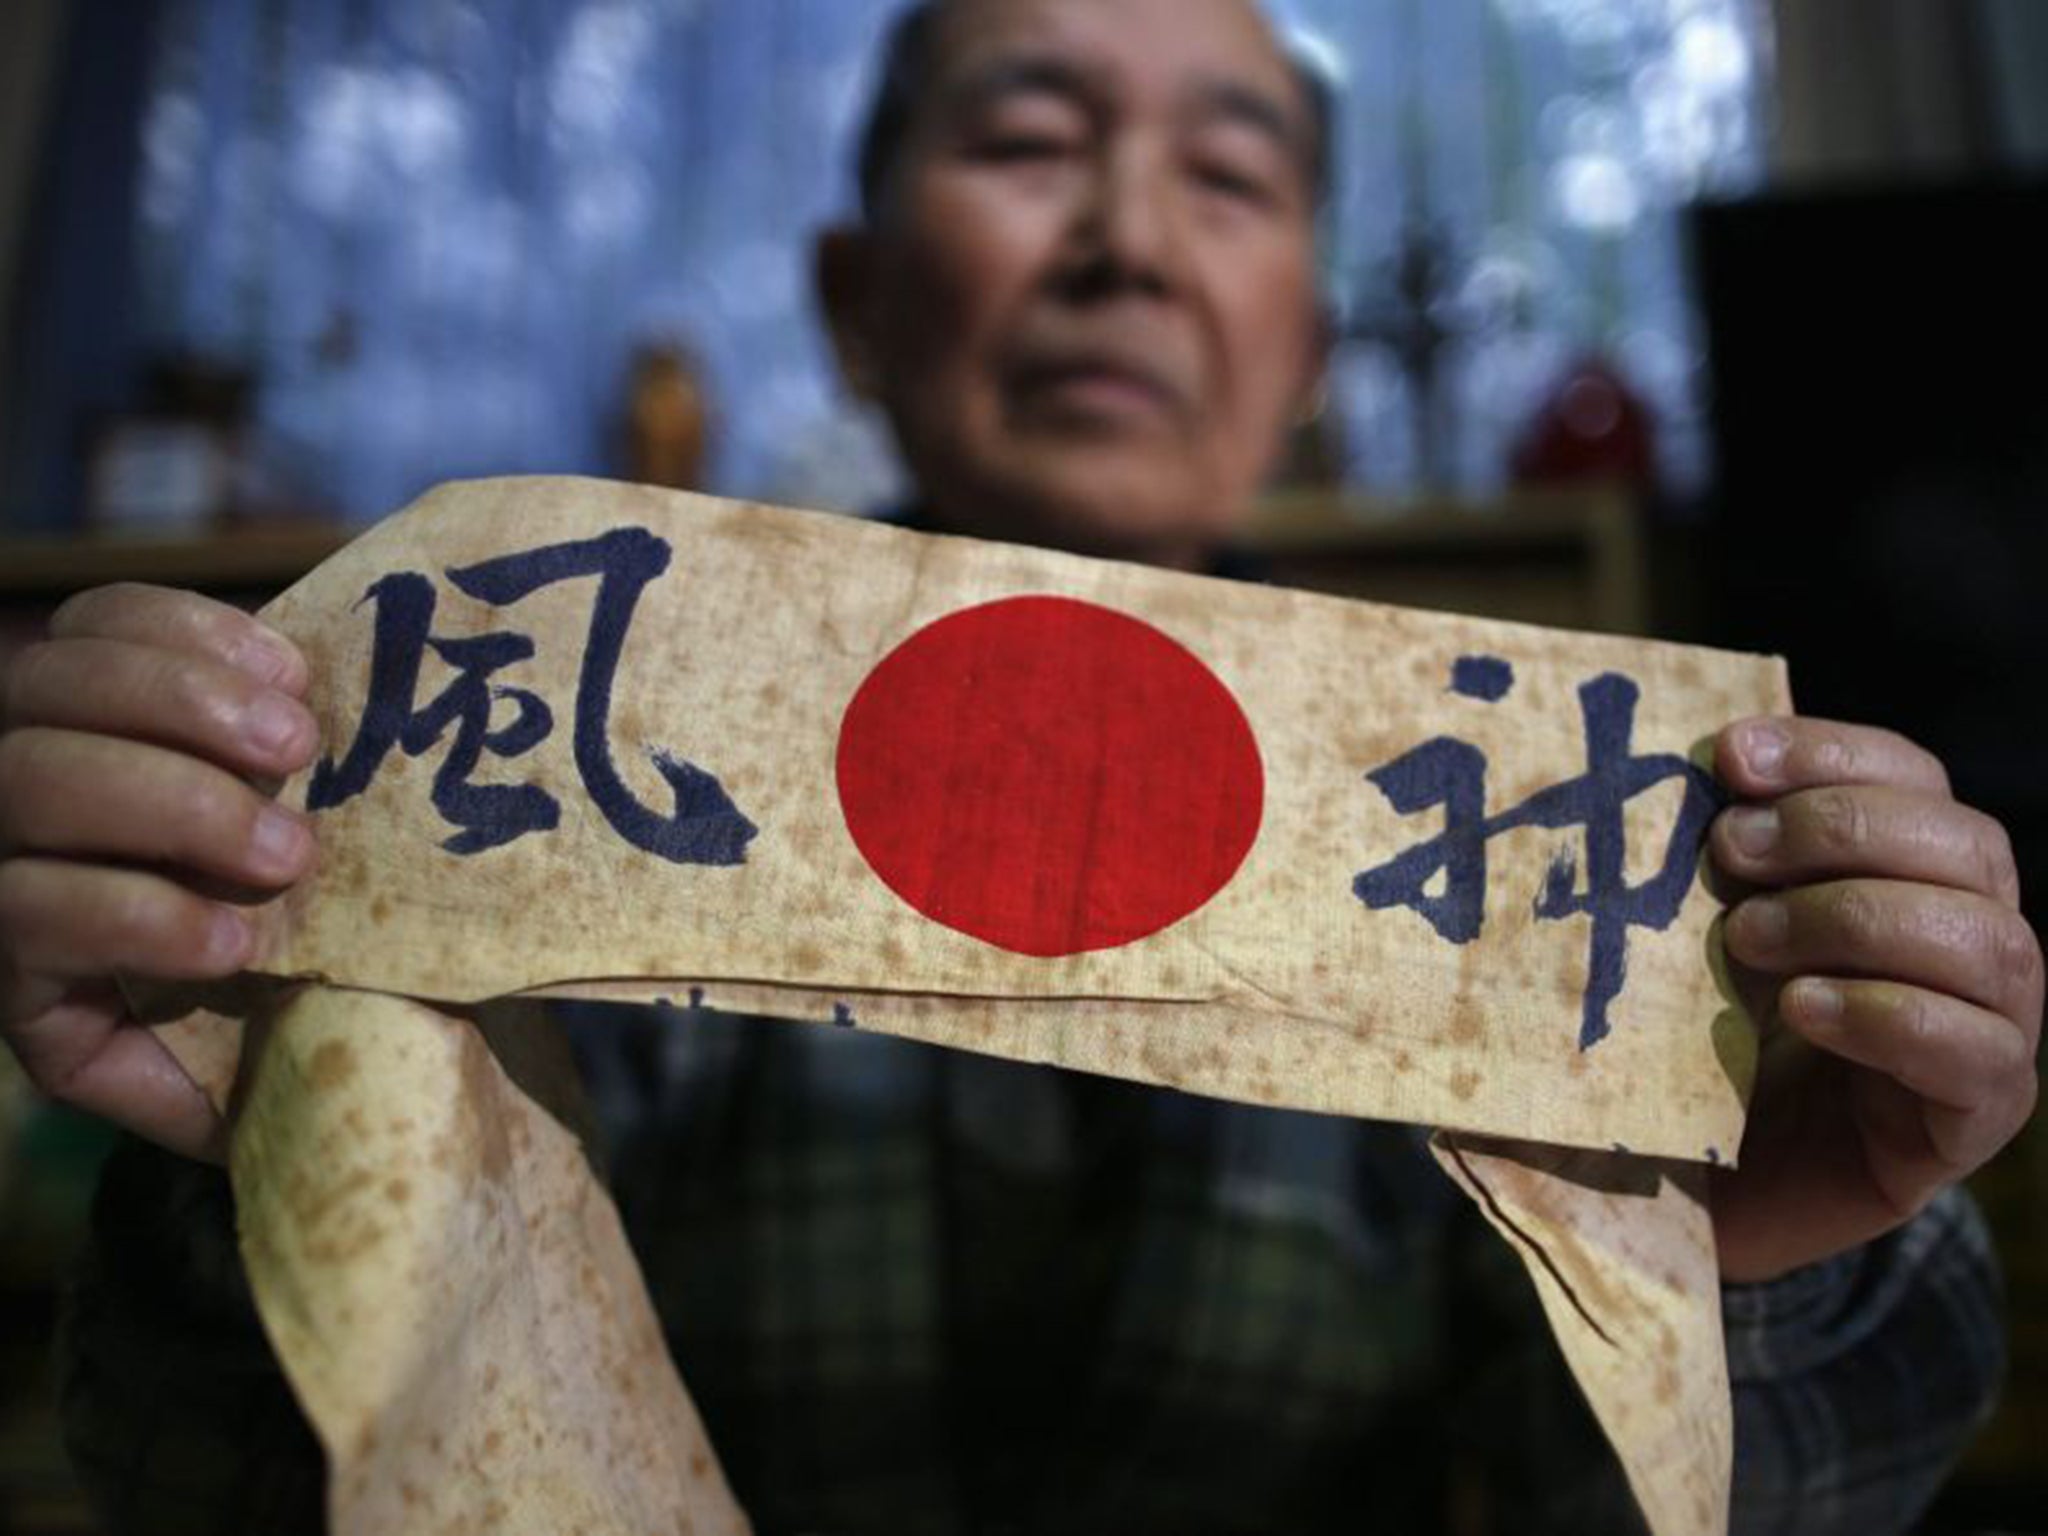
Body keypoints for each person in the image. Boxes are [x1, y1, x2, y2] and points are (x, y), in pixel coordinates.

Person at [1, 0, 2038, 1530]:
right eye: (1029, 144)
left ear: (1302, 351)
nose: (1127, 243)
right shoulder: (558, 740)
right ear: (856, 300)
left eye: (1227, 180)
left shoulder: (1541, 854)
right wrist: (276, 1127)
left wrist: (1742, 1258)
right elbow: (219, 1479)